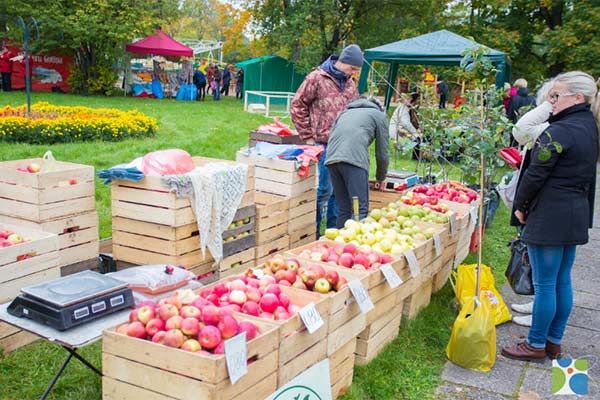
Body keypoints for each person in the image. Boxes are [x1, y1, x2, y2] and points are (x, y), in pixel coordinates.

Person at [501, 71, 599, 362]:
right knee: (561, 281)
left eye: (556, 96)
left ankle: (535, 344)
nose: (551, 102)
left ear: (577, 98)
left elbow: (534, 175)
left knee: (545, 284)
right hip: (574, 213)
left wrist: (521, 206)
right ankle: (553, 342)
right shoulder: (590, 127)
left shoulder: (558, 131)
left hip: (550, 215)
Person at [290, 44, 362, 238]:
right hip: (322, 143)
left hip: (344, 145)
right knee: (323, 190)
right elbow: (297, 105)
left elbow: (354, 110)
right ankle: (311, 232)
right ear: (342, 62)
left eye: (356, 70)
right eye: (352, 68)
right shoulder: (317, 78)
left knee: (339, 192)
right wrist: (308, 137)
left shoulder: (350, 84)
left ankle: (333, 232)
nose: (354, 73)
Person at [508, 79, 554, 328]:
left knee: (547, 270)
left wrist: (522, 204)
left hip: (547, 205)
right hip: (554, 205)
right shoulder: (561, 126)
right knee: (545, 269)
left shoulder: (556, 128)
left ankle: (540, 333)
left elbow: (521, 129)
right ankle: (538, 305)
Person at [325, 96, 389, 227]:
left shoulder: (344, 113)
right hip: (354, 161)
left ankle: (338, 243)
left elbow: (333, 136)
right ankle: (355, 244)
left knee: (344, 208)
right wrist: (380, 178)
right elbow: (382, 152)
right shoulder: (378, 115)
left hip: (331, 160)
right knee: (359, 209)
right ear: (381, 108)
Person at [389, 92, 421, 159]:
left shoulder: (408, 109)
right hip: (397, 131)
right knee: (417, 139)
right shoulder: (403, 108)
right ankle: (416, 158)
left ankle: (418, 156)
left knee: (418, 138)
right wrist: (415, 132)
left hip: (402, 130)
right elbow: (405, 123)